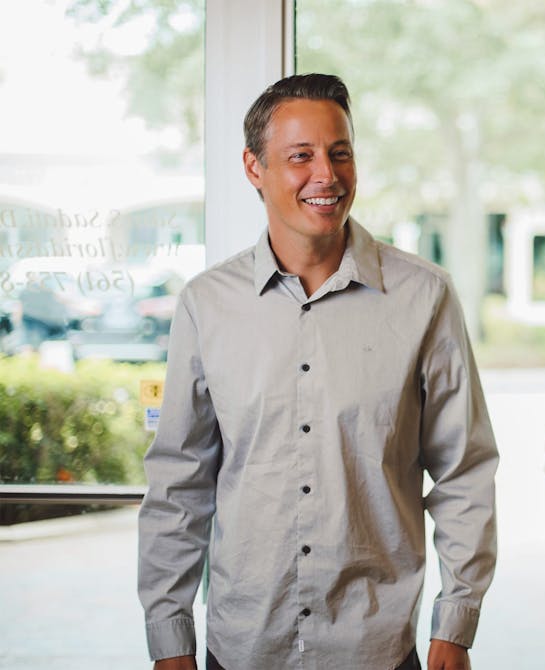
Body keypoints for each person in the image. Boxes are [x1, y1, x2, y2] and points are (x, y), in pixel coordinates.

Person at [137, 73, 498, 670]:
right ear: (254, 168)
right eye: (300, 156)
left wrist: (455, 625)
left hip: (376, 648)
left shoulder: (424, 297)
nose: (326, 176)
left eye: (340, 153)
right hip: (243, 645)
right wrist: (169, 637)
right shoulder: (206, 304)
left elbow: (465, 472)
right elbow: (180, 483)